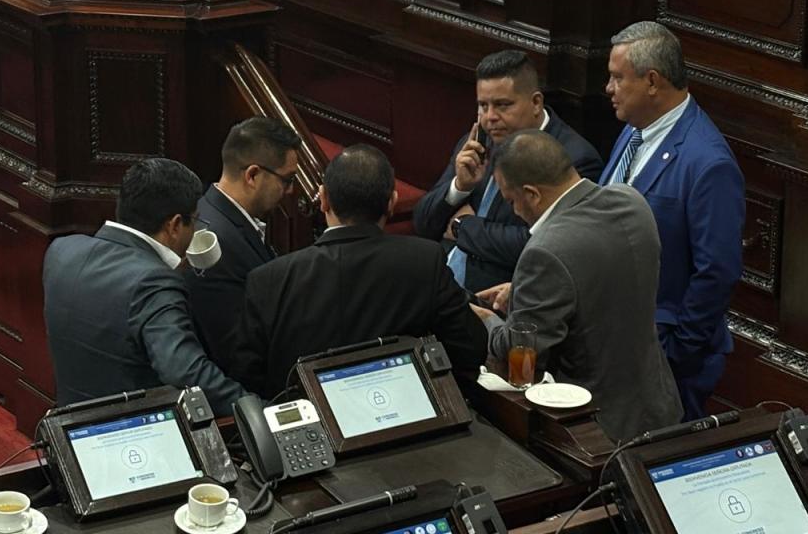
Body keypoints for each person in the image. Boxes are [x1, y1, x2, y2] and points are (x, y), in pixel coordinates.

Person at [231, 144, 488, 398]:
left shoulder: (268, 280)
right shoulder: (425, 260)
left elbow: (248, 379)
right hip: (408, 420)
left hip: (310, 431)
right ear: (392, 203)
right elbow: (469, 350)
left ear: (323, 200)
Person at [472, 130, 682, 441]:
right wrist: (525, 291)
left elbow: (523, 350)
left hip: (595, 430)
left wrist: (489, 320)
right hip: (660, 408)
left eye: (511, 200)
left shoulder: (545, 251)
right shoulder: (631, 201)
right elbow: (603, 280)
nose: (515, 211)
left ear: (531, 193)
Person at [600, 20, 745, 420]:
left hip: (665, 357)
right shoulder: (633, 133)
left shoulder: (708, 162)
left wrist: (677, 352)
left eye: (616, 78)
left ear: (651, 81)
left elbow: (717, 270)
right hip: (615, 342)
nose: (608, 88)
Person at [43, 159, 247, 416]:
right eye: (194, 221)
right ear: (174, 225)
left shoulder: (61, 251)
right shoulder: (156, 282)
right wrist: (255, 412)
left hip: (70, 429)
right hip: (137, 434)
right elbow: (186, 372)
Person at [413, 50, 603, 293]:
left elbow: (540, 245)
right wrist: (460, 188)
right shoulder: (478, 143)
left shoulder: (574, 159)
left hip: (499, 297)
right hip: (443, 281)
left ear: (536, 103)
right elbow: (423, 223)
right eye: (483, 106)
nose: (490, 117)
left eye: (503, 105)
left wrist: (463, 226)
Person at [186, 117, 302, 370]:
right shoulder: (213, 244)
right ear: (252, 175)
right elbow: (232, 350)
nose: (291, 190)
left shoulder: (213, 214)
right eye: (287, 179)